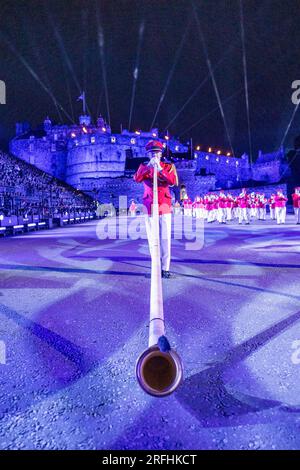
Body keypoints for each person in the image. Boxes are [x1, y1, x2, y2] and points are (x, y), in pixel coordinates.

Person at [134, 140, 178, 279]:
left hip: (164, 206)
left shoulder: (168, 166)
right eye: (152, 153)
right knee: (152, 238)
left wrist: (159, 168)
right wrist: (148, 167)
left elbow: (172, 181)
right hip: (149, 206)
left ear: (161, 153)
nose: (155, 155)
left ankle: (165, 268)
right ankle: (156, 267)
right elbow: (137, 178)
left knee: (165, 238)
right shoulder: (144, 167)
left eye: (157, 153)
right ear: (148, 154)